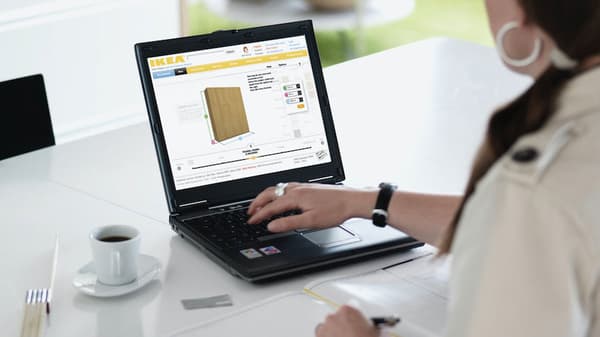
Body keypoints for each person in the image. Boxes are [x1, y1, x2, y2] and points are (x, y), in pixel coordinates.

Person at [247, 0, 600, 336]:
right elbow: (518, 225)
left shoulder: (534, 186)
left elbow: (528, 218)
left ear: (523, 15)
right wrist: (367, 201)